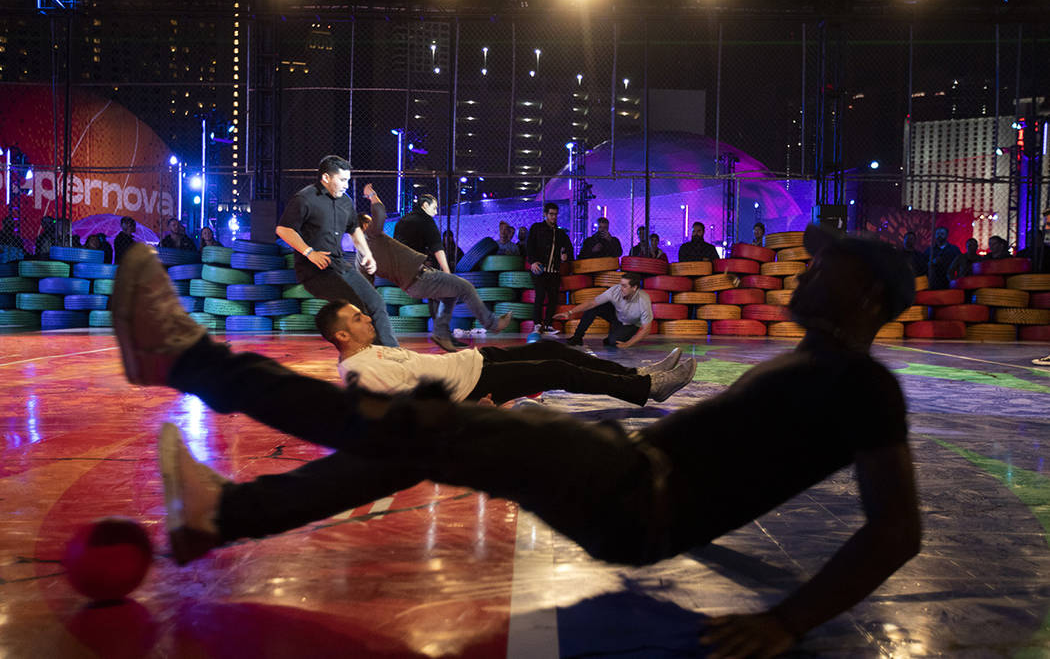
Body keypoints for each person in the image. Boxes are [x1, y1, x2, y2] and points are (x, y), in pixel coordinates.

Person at [115, 224, 921, 657]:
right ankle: (226, 515)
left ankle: (189, 359)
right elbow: (742, 468)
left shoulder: (861, 382)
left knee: (423, 427)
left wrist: (789, 621)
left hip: (634, 489)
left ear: (868, 293)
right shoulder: (819, 365)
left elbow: (897, 529)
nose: (803, 274)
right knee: (417, 443)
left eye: (826, 268)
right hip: (632, 491)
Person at [313, 297, 691, 404]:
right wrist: (472, 410)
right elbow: (404, 410)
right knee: (557, 370)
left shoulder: (370, 352)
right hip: (474, 386)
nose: (367, 319)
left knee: (549, 348)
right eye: (358, 318)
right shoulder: (359, 372)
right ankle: (648, 389)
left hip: (473, 363)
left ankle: (640, 375)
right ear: (342, 336)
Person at [360, 184, 513, 352]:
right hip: (419, 276)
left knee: (451, 291)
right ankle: (493, 324)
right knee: (465, 287)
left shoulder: (361, 258)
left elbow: (367, 289)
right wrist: (372, 194)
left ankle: (441, 332)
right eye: (434, 208)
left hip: (408, 285)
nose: (435, 212)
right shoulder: (374, 235)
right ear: (366, 227)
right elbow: (381, 211)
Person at [275, 155, 397, 347]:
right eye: (342, 180)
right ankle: (371, 353)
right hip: (315, 270)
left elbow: (354, 229)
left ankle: (392, 352)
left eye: (348, 180)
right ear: (326, 178)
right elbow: (283, 229)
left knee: (377, 303)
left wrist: (367, 254)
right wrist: (309, 252)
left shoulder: (345, 201)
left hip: (340, 265)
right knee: (358, 307)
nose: (346, 185)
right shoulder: (304, 198)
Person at [560, 273, 654, 348]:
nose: (621, 288)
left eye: (624, 286)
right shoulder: (615, 290)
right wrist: (569, 312)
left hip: (630, 324)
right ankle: (577, 338)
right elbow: (592, 303)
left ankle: (612, 337)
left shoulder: (644, 300)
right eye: (621, 285)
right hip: (616, 315)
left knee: (612, 342)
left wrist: (627, 344)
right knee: (593, 307)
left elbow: (646, 329)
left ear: (634, 288)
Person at [527, 202, 573, 334]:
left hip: (554, 271)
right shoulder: (537, 228)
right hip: (540, 269)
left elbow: (569, 249)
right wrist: (533, 262)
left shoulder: (560, 233)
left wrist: (565, 255)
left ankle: (547, 324)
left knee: (553, 298)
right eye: (551, 214)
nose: (554, 217)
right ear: (545, 214)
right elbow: (530, 246)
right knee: (540, 296)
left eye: (556, 214)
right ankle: (537, 324)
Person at [394, 194, 449, 274]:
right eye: (434, 208)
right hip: (413, 270)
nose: (436, 212)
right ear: (426, 205)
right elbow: (437, 248)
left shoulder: (403, 220)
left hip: (397, 268)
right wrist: (447, 272)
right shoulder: (427, 220)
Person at [922, 225, 961, 290]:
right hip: (933, 283)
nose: (939, 236)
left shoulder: (954, 250)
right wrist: (931, 263)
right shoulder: (929, 250)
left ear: (947, 235)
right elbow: (923, 266)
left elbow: (959, 265)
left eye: (942, 234)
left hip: (949, 283)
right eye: (937, 234)